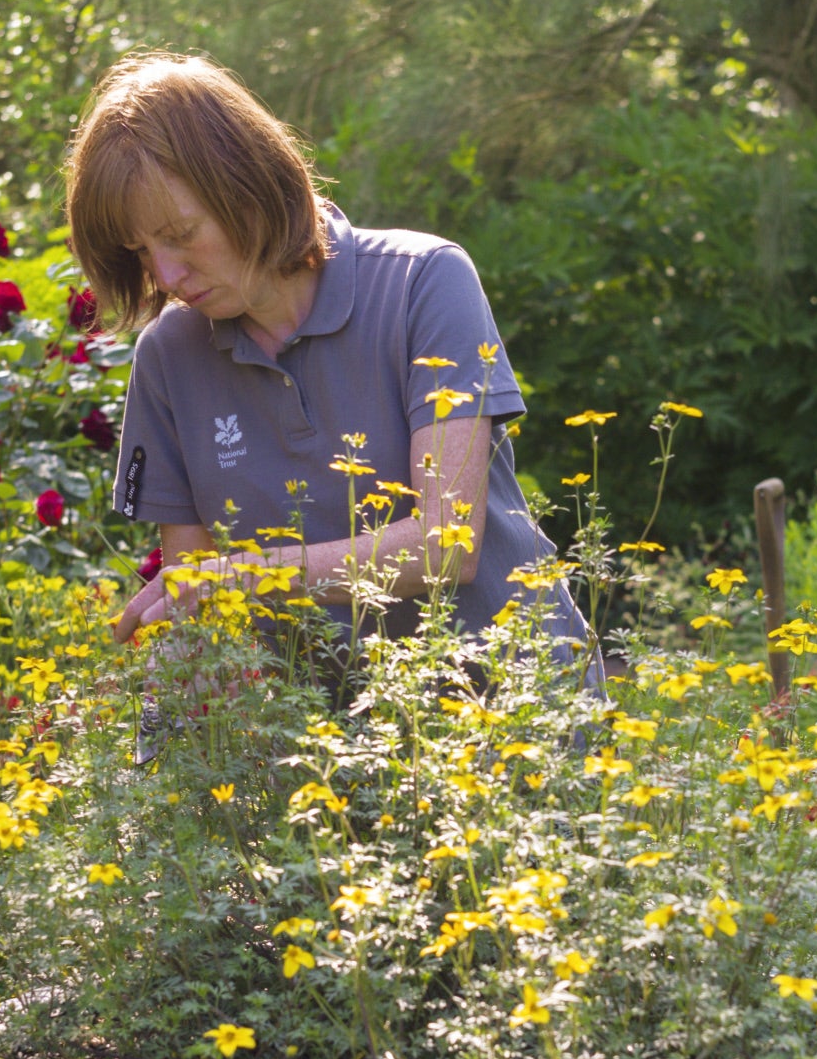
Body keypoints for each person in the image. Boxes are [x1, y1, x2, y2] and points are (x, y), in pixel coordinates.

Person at [65, 53, 585, 652]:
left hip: (511, 706)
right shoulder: (169, 357)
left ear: (250, 185)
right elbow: (196, 604)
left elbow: (448, 546)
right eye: (139, 252)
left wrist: (244, 578)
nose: (167, 273)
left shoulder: (424, 281)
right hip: (314, 733)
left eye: (181, 235)